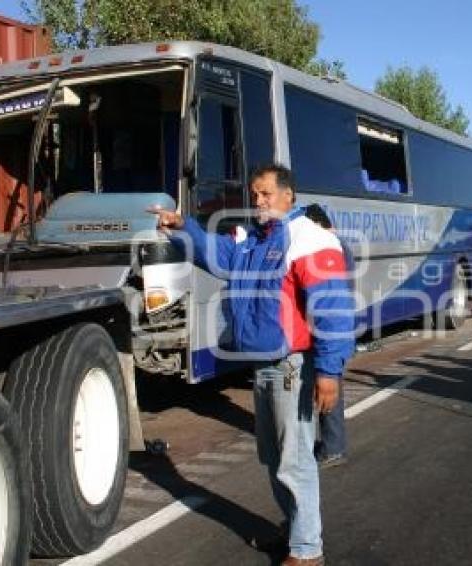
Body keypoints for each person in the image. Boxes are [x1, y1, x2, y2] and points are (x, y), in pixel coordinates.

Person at [151, 164, 354, 565]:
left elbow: (332, 309)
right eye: (255, 194)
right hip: (263, 367)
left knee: (294, 461)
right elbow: (215, 253)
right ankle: (296, 529)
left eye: (266, 194)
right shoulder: (253, 242)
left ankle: (308, 551)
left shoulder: (308, 239)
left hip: (291, 367)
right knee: (275, 458)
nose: (258, 202)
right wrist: (182, 227)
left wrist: (329, 373)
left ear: (288, 196)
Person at [303, 203, 350, 469]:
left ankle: (333, 447)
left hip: (329, 330)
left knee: (328, 386)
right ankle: (332, 444)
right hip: (331, 328)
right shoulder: (335, 244)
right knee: (328, 385)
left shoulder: (331, 247)